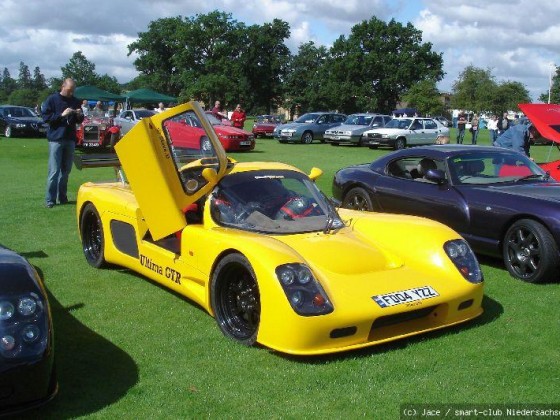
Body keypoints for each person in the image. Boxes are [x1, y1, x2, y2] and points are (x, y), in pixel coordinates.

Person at [41, 78, 84, 208]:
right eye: (69, 90)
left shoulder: (75, 101)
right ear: (63, 87)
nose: (71, 93)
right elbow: (46, 118)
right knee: (54, 171)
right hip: (56, 139)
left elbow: (80, 120)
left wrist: (79, 114)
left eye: (73, 91)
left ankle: (63, 197)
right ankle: (50, 199)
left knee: (66, 171)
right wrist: (62, 115)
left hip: (70, 139)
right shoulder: (52, 99)